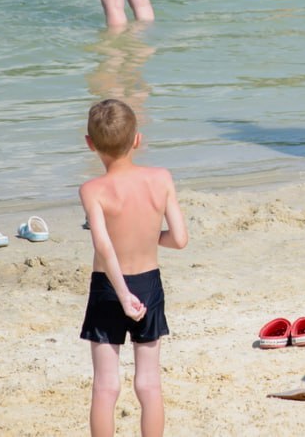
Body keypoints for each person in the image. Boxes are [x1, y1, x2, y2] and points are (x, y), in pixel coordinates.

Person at [79, 98, 188, 437]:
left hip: (108, 288)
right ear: (137, 139)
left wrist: (123, 295)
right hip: (148, 285)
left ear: (90, 144)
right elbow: (180, 239)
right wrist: (148, 236)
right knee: (149, 383)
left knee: (106, 386)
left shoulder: (92, 190)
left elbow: (103, 245)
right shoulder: (161, 178)